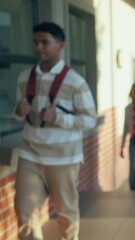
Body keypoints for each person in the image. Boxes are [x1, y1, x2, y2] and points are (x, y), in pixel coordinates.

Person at [13, 22, 97, 239]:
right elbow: (19, 113)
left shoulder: (75, 82)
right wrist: (19, 111)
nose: (39, 47)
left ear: (60, 45)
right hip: (30, 153)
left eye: (45, 42)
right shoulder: (24, 78)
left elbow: (90, 120)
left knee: (66, 214)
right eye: (35, 42)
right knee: (24, 212)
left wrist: (58, 118)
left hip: (64, 158)